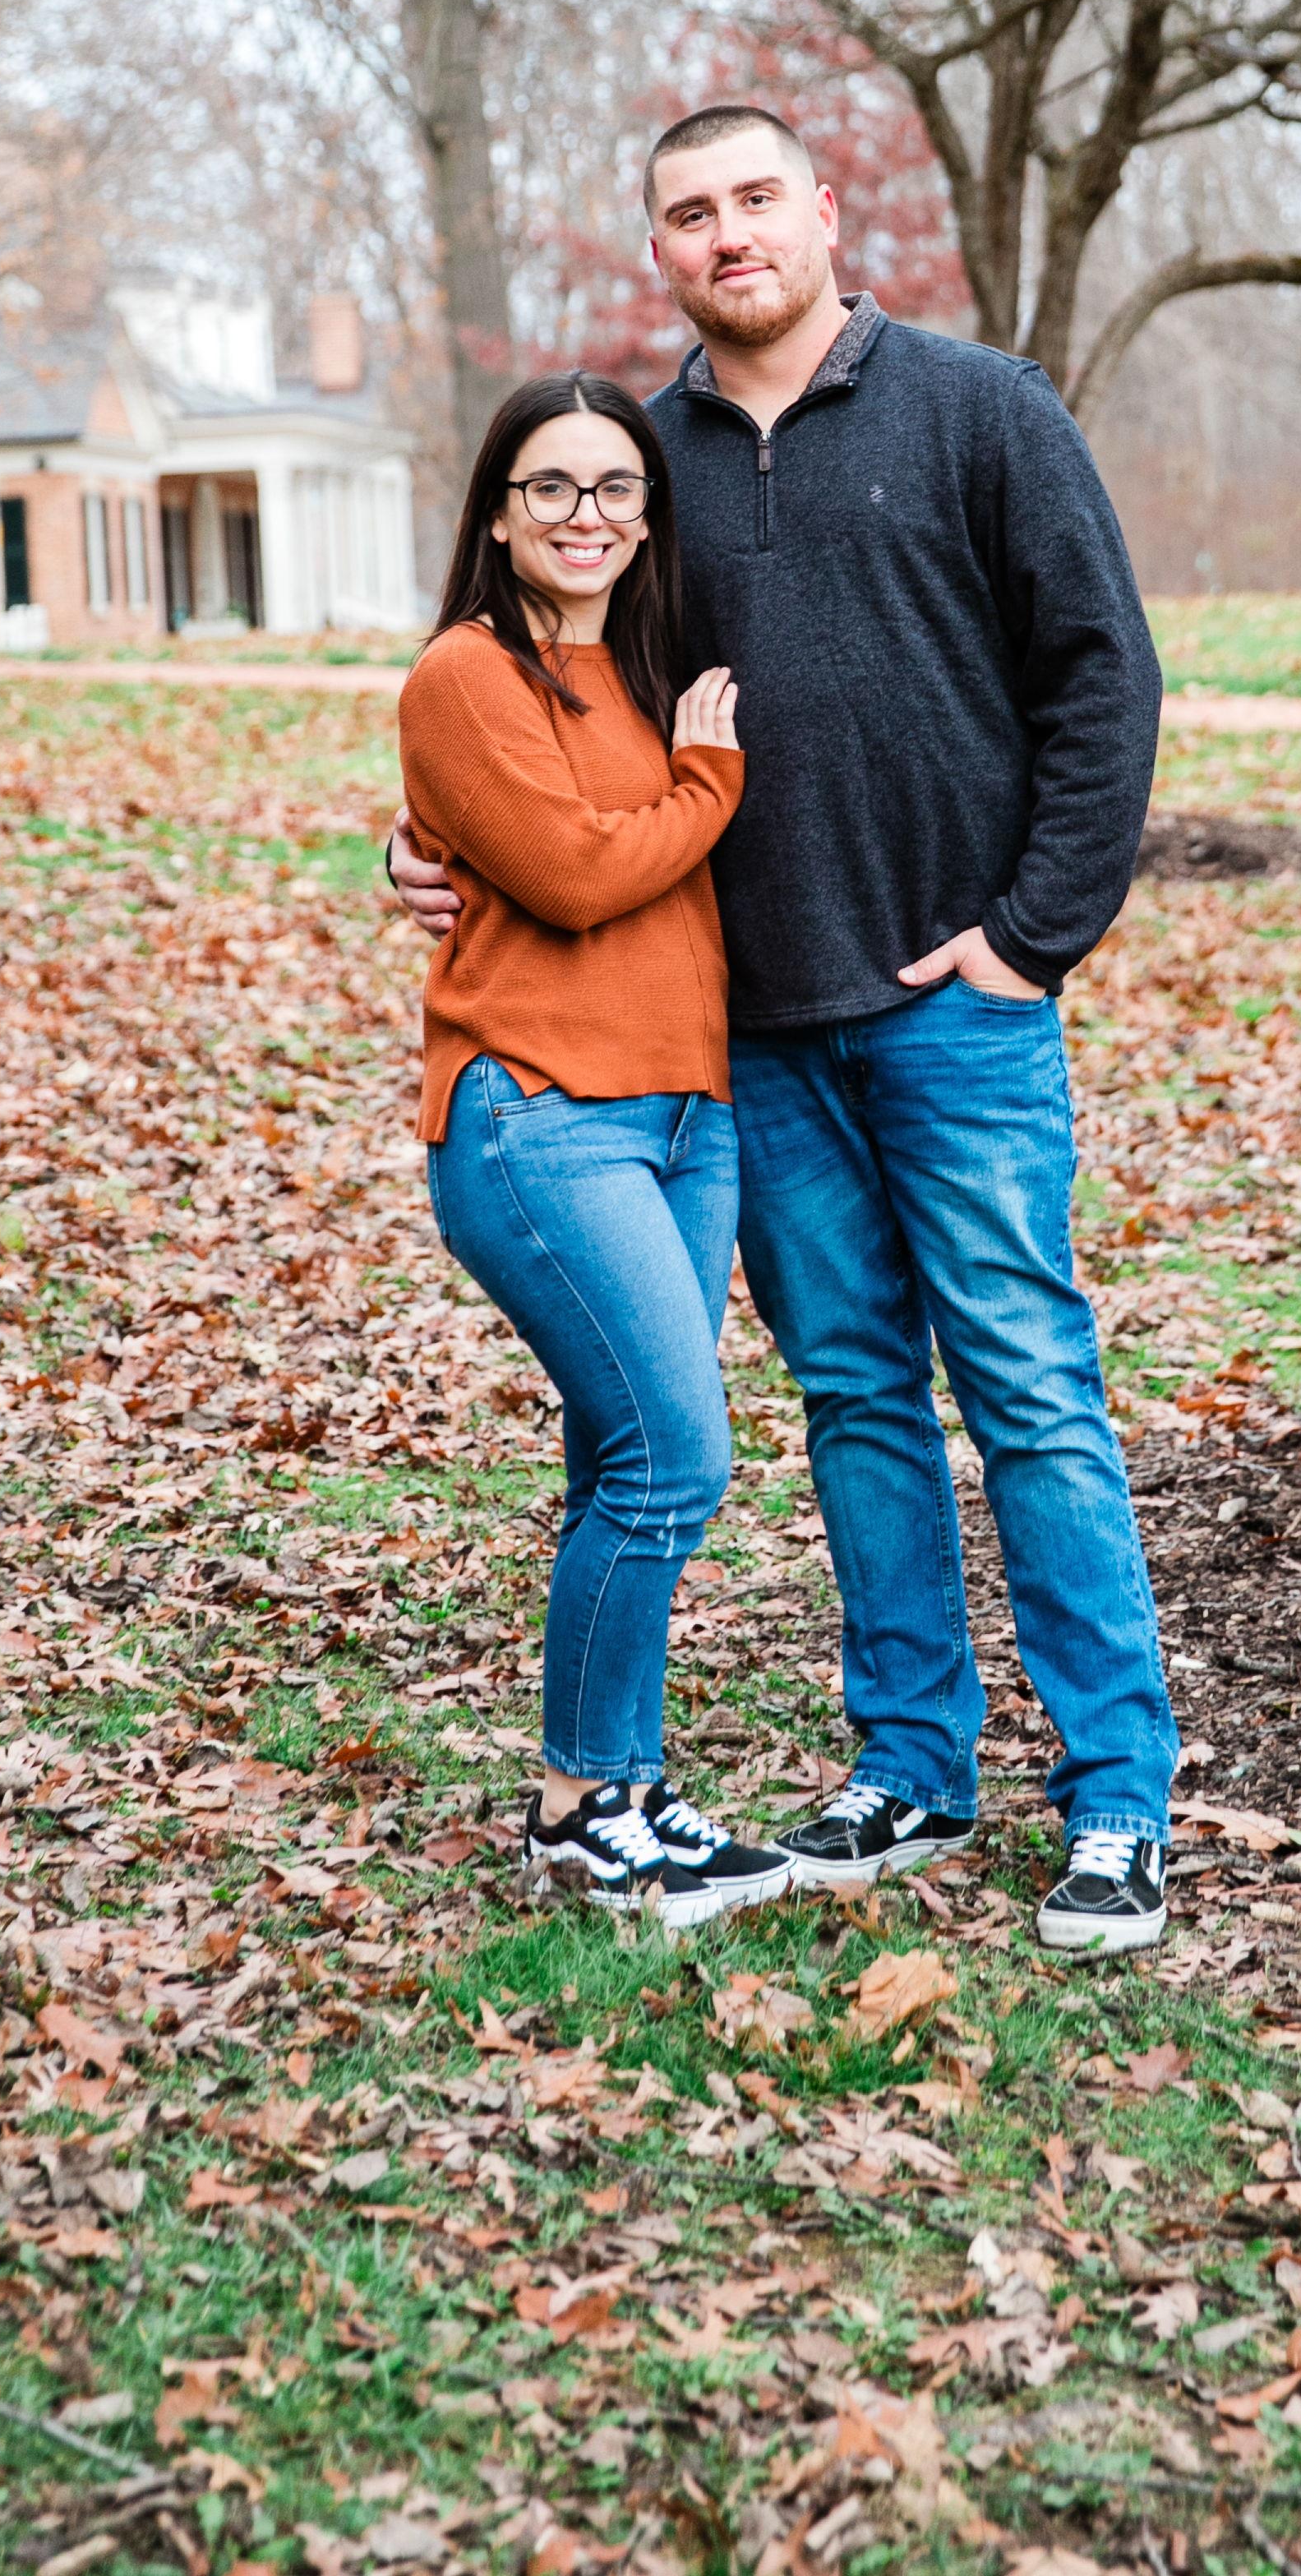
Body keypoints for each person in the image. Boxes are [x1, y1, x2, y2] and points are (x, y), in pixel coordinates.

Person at [393, 108, 1181, 1953]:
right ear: (659, 250)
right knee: (856, 1397)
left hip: (955, 1010)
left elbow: (1105, 674)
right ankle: (911, 1765)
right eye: (692, 213)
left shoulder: (982, 410)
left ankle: (1117, 1799)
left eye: (758, 199)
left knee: (1030, 1385)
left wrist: (1030, 938)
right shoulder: (641, 466)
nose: (729, 234)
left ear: (825, 214)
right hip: (748, 1041)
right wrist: (427, 843)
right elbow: (544, 707)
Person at [395, 368, 800, 1927]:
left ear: (646, 515)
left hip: (688, 1120)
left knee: (617, 1458)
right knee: (677, 1458)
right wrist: (711, 783)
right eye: (552, 487)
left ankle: (625, 1789)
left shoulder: (642, 667)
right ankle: (575, 1804)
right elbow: (571, 876)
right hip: (541, 1114)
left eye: (616, 487)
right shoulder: (465, 674)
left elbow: (605, 850)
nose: (587, 514)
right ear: (499, 516)